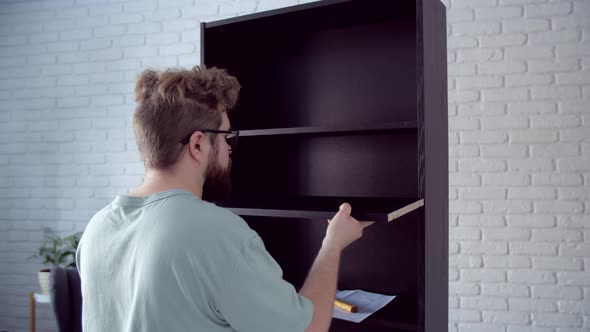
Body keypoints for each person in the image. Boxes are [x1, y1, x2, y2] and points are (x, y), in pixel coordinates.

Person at [76, 65, 374, 332]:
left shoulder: (97, 228)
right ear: (198, 143)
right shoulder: (216, 233)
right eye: (227, 137)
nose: (230, 149)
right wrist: (333, 244)